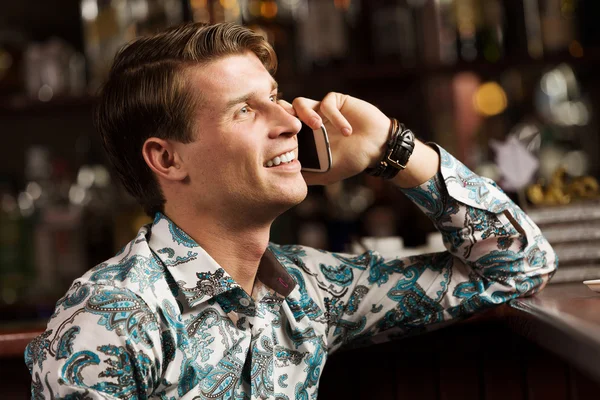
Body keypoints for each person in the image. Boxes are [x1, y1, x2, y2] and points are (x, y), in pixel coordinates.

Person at [25, 22, 557, 400]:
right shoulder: (108, 319)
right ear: (167, 158)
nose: (290, 122)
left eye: (276, 97)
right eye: (244, 110)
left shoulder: (308, 289)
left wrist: (392, 148)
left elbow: (515, 265)